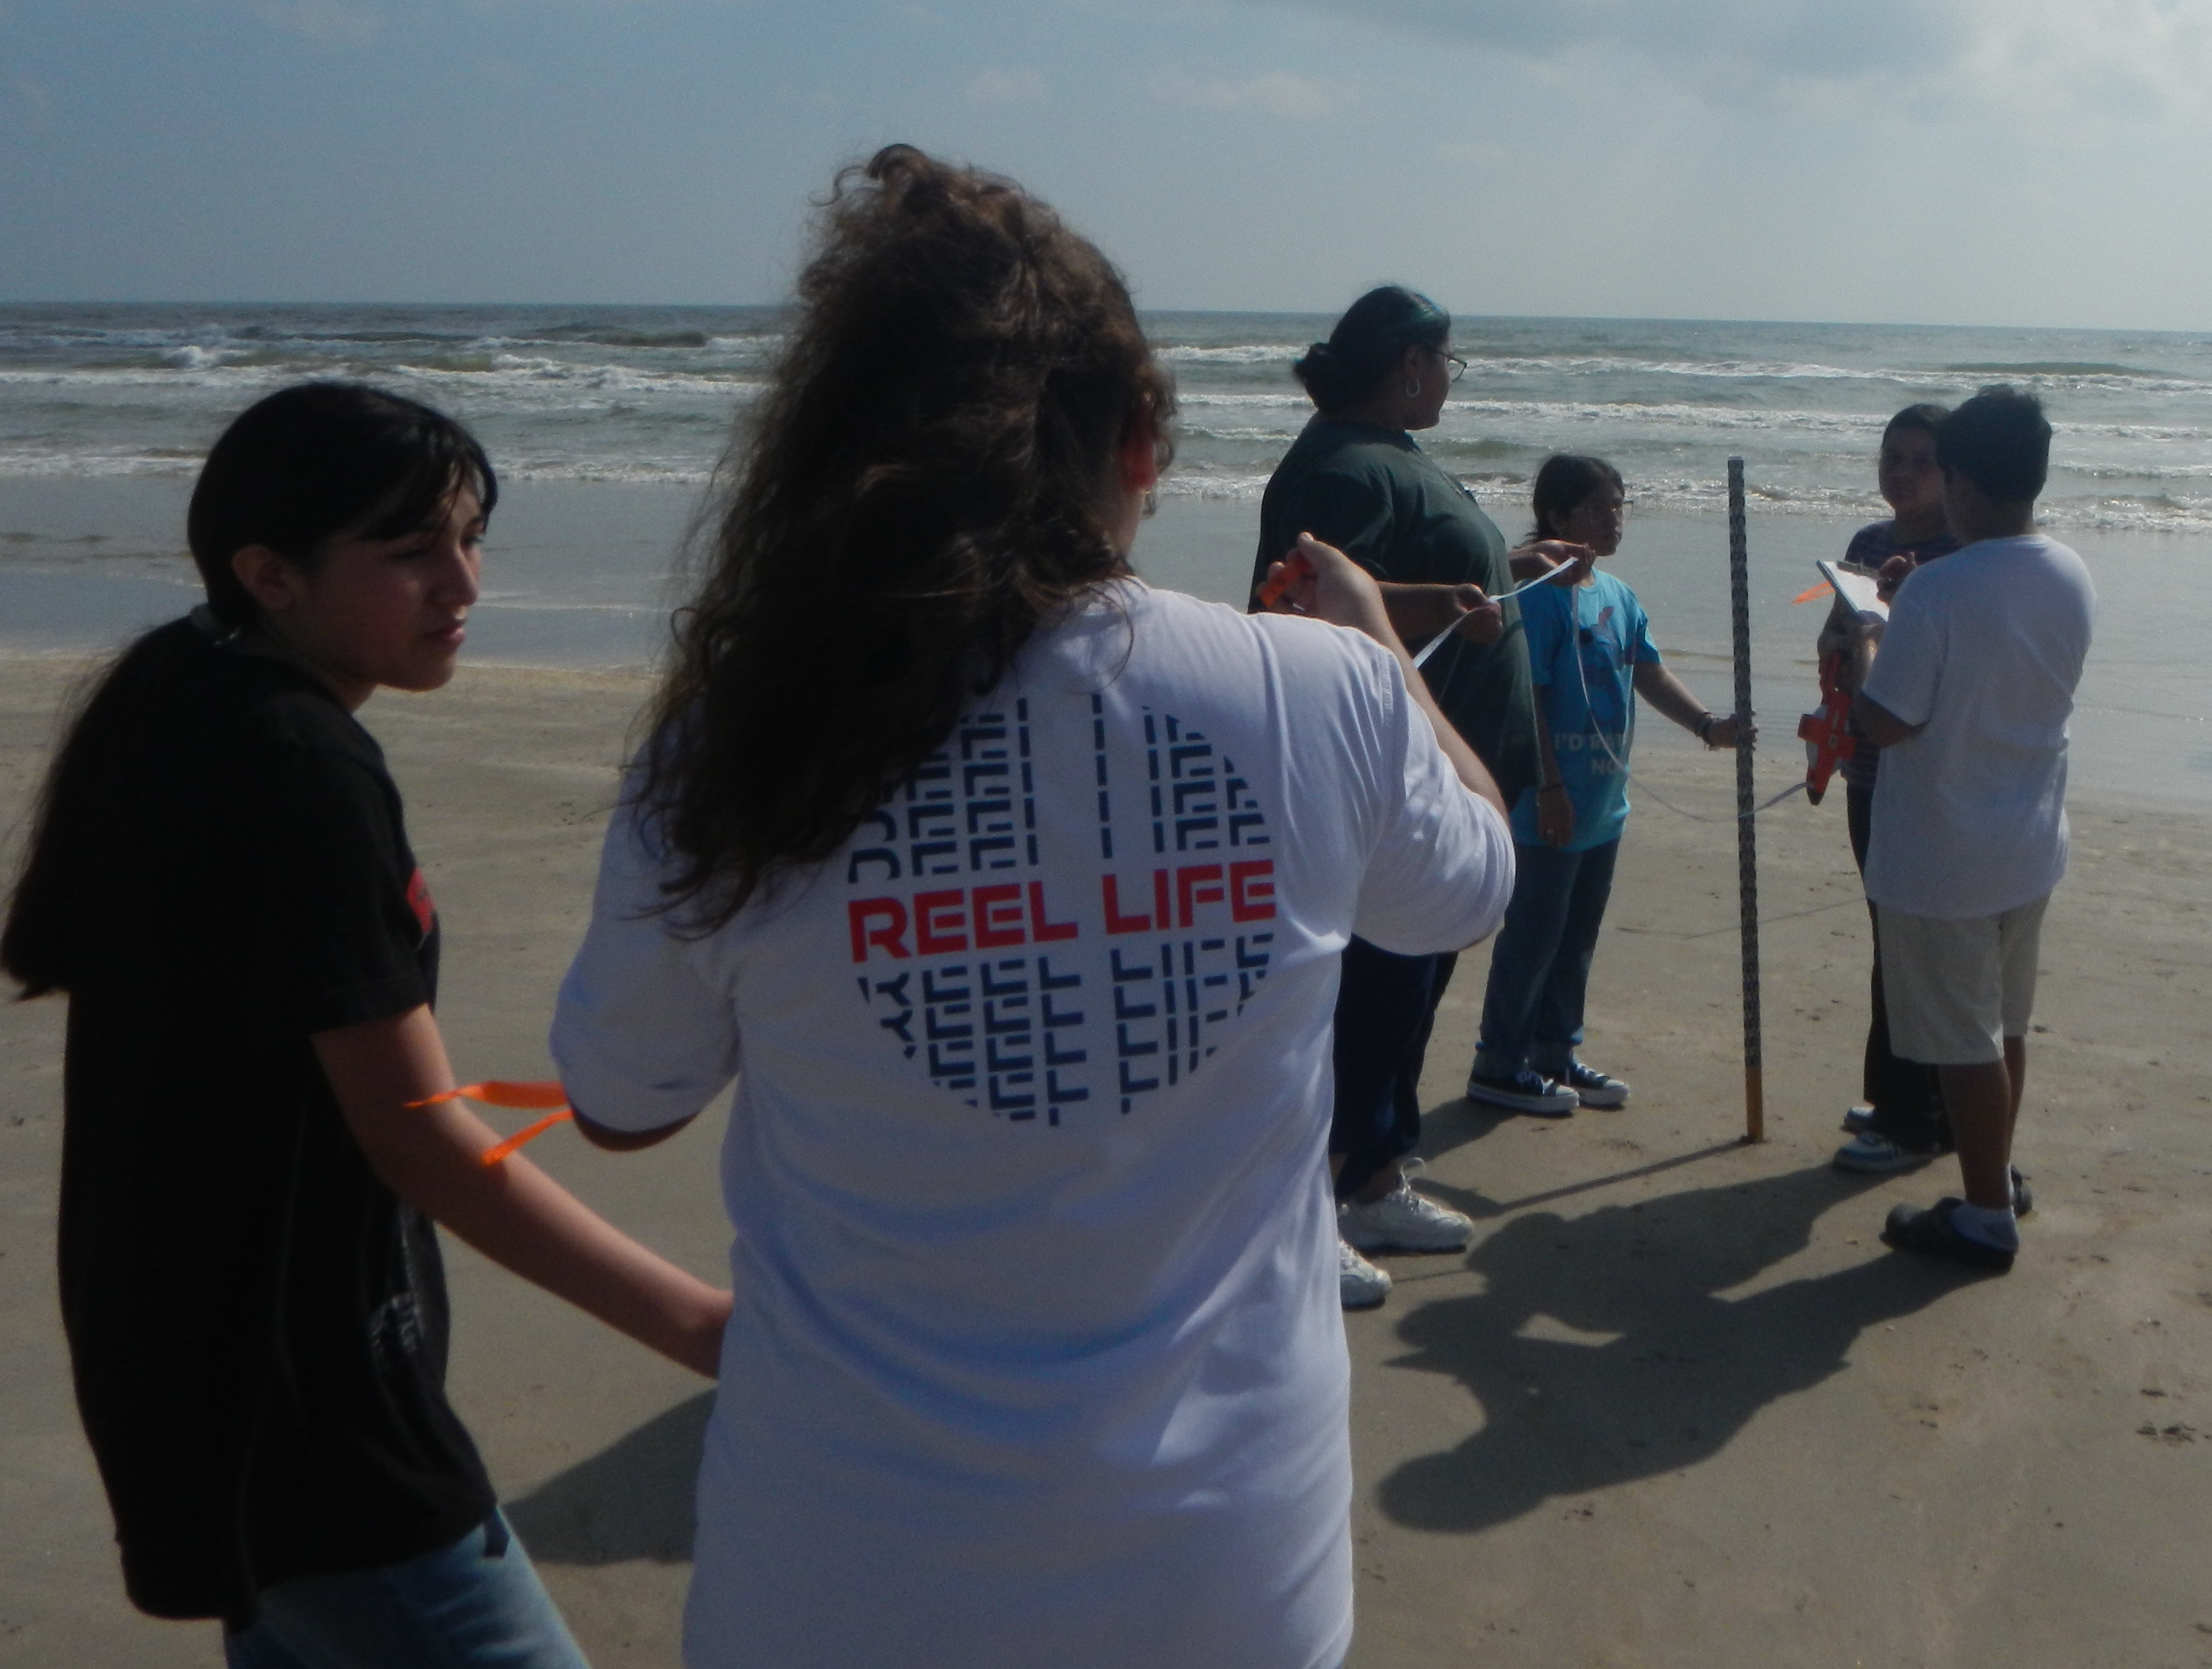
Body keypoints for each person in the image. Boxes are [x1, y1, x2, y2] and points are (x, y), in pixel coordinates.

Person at [548, 149, 1512, 1669]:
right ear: (1138, 439)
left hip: (842, 1579)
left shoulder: (739, 740)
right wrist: (1381, 647)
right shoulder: (1313, 692)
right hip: (1222, 1582)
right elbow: (1468, 886)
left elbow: (621, 1100)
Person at [0, 382, 731, 1668]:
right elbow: (420, 1140)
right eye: (409, 551)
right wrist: (701, 1325)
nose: (463, 582)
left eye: (470, 537)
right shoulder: (297, 766)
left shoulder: (191, 696)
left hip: (196, 1369)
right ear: (269, 574)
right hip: (304, 1408)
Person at [1250, 286, 1579, 1302]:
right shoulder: (1343, 467)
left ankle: (1375, 1174)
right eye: (1446, 361)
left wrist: (1504, 565)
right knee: (1371, 996)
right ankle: (1318, 1205)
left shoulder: (1384, 453)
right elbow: (1301, 598)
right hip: (1391, 790)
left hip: (1443, 778)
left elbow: (1391, 577)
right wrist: (1438, 600)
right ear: (1408, 365)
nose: (1448, 380)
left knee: (1410, 988)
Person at [1856, 388, 2096, 1276]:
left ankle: (1987, 1213)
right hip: (2027, 839)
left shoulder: (1941, 589)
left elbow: (1887, 719)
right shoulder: (2068, 569)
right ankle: (1996, 1175)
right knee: (2004, 1026)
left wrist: (1869, 633)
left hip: (1947, 851)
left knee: (1964, 1042)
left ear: (1959, 480)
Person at [1467, 454, 1748, 1116]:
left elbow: (1647, 671)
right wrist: (1550, 787)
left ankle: (1554, 1052)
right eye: (1596, 508)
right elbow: (1530, 696)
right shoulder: (1538, 595)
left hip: (1603, 802)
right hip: (1550, 802)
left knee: (1576, 938)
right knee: (1534, 935)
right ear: (1557, 517)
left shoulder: (1618, 596)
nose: (1612, 519)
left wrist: (1709, 726)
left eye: (1619, 506)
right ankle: (1499, 1062)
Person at [1825, 403, 1964, 1177]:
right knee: (1888, 935)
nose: (1903, 474)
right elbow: (1839, 638)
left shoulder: (1961, 554)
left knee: (1917, 946)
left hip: (1925, 774)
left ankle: (1917, 1114)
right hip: (1868, 768)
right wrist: (1844, 635)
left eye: (1922, 461)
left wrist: (1895, 615)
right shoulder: (1868, 544)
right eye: (1892, 458)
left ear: (1952, 473)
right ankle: (1894, 1094)